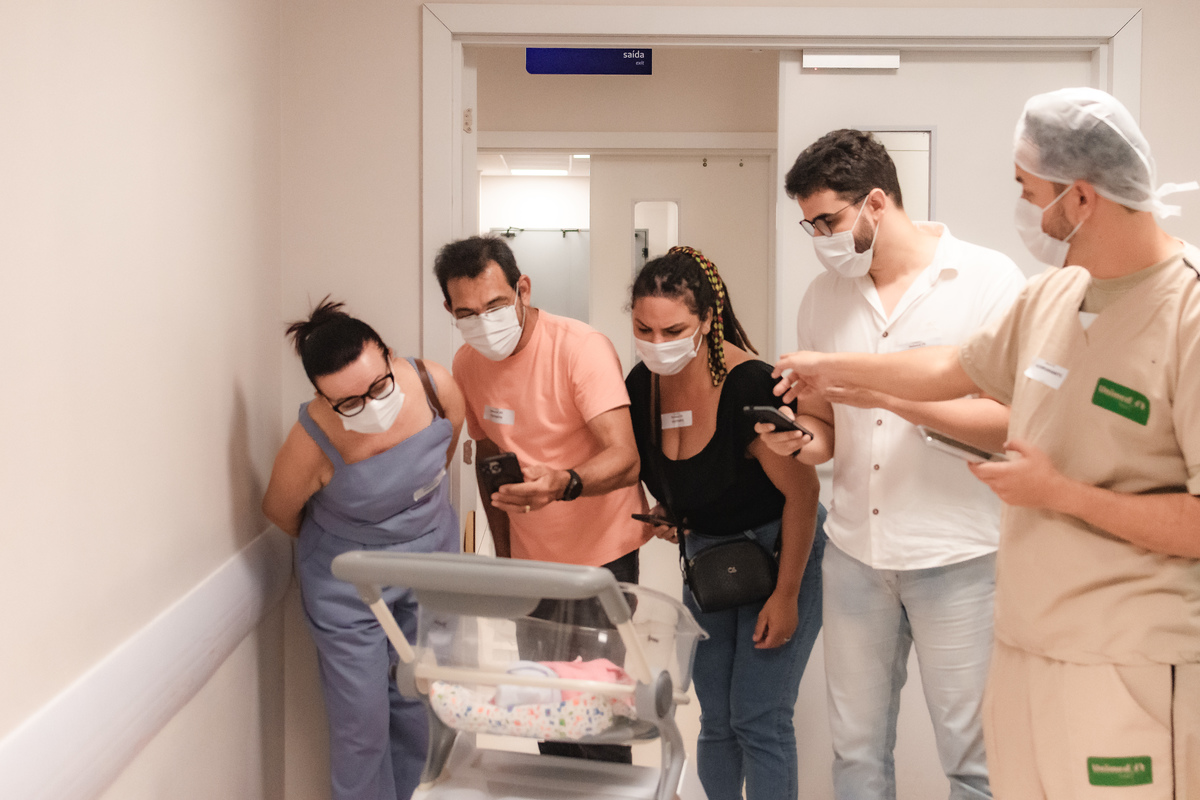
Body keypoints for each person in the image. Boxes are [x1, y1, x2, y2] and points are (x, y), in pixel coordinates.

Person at [773, 88, 1200, 799]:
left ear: (1083, 198)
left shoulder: (1177, 313)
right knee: (903, 761)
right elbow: (953, 367)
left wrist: (1057, 493)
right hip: (1021, 626)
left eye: (1028, 192)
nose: (1023, 209)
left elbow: (1014, 421)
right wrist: (835, 377)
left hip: (1113, 641)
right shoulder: (1057, 294)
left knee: (981, 767)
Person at [760, 129, 1027, 800]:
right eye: (809, 224)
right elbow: (826, 430)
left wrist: (885, 395)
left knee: (973, 760)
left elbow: (1009, 423)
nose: (819, 236)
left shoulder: (987, 280)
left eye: (828, 219)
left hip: (959, 555)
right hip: (854, 553)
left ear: (876, 203)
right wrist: (799, 442)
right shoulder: (824, 298)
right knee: (855, 757)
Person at [433, 235, 649, 762]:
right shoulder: (467, 364)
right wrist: (506, 561)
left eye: (495, 305)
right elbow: (489, 463)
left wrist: (563, 482)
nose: (483, 322)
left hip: (601, 556)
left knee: (592, 715)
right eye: (466, 313)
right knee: (545, 712)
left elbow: (625, 458)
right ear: (450, 310)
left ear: (522, 288)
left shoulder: (579, 348)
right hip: (532, 565)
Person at [625, 246, 826, 800]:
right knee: (715, 718)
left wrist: (786, 596)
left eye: (673, 329)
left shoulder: (749, 385)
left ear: (708, 319)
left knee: (758, 716)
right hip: (712, 564)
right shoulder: (642, 385)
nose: (657, 343)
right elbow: (677, 474)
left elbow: (803, 495)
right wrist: (671, 511)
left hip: (782, 550)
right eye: (644, 328)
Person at [262, 299, 464, 800]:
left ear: (389, 355)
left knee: (421, 706)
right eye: (350, 403)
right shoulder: (312, 437)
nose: (372, 406)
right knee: (362, 728)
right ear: (321, 398)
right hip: (349, 583)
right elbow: (281, 510)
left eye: (378, 386)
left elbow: (446, 448)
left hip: (431, 562)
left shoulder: (434, 383)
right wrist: (355, 538)